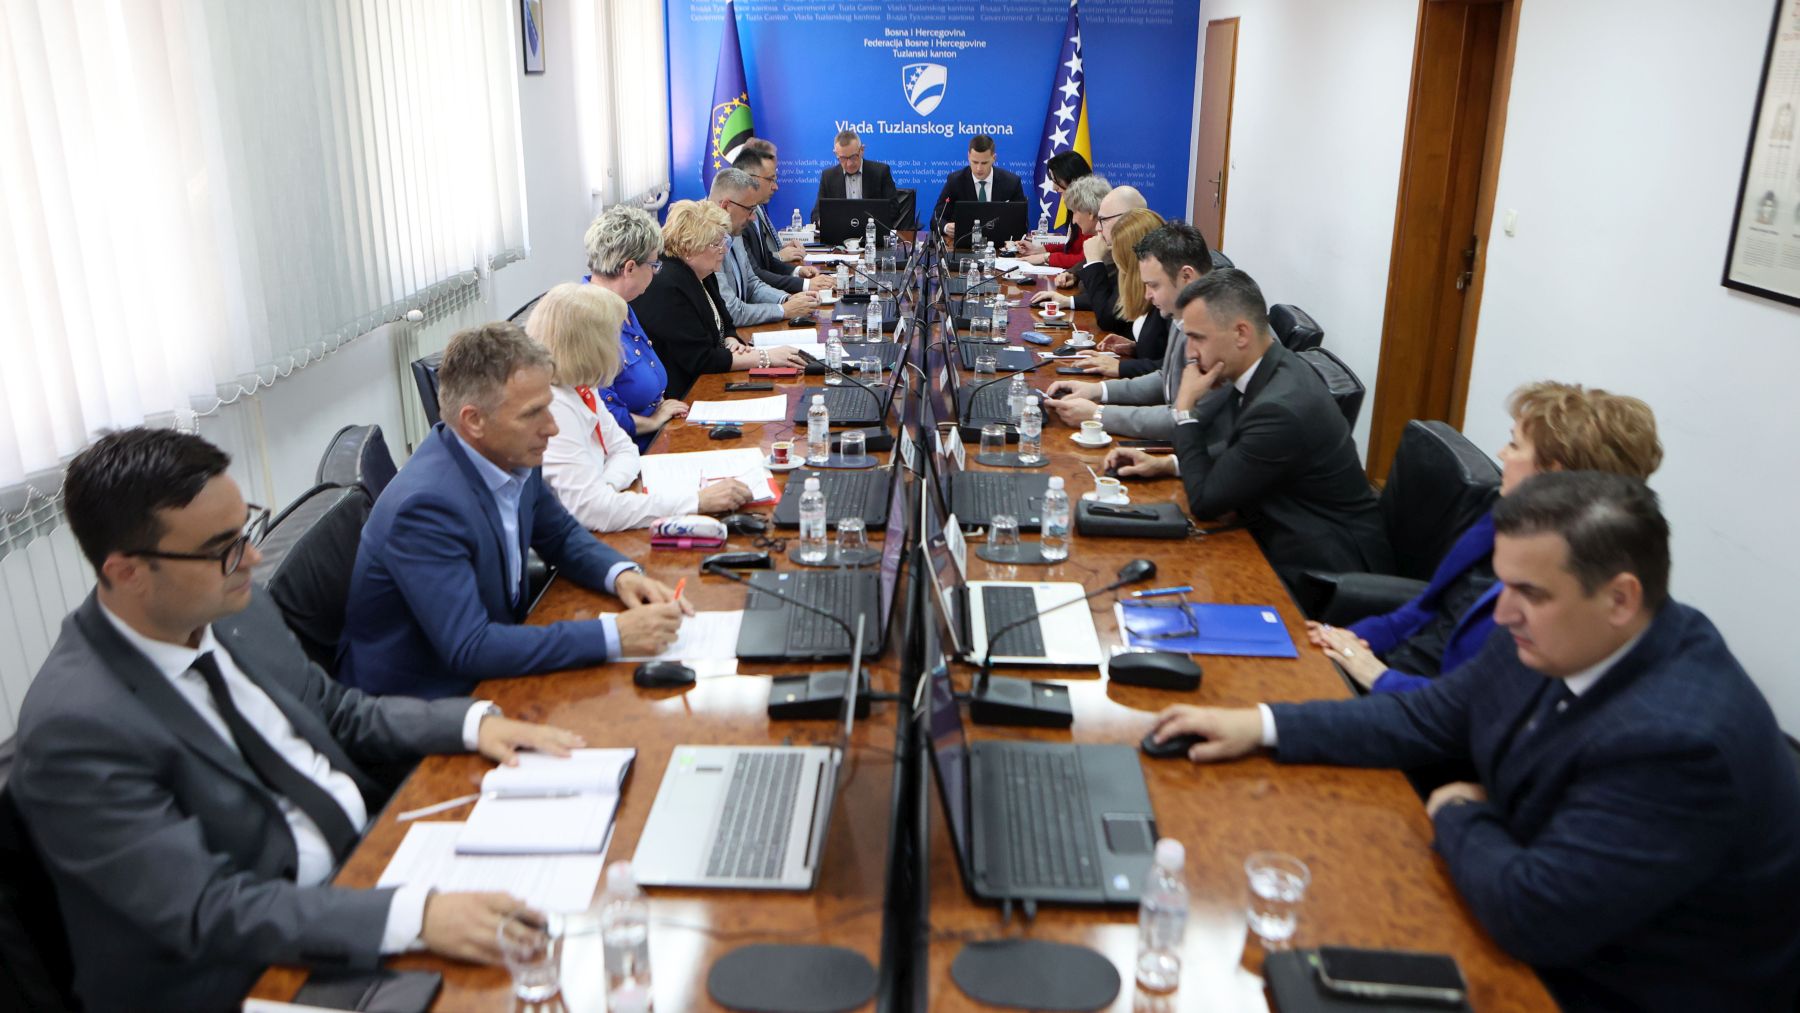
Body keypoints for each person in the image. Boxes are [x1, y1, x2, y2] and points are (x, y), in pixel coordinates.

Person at [1147, 472, 1800, 1011]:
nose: (1503, 612)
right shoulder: (1558, 633)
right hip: (1520, 919)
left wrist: (1461, 809)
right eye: (1503, 583)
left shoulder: (1679, 742)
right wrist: (1261, 723)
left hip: (1603, 986)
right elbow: (1425, 717)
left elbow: (1532, 912)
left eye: (1529, 592)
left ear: (1620, 598)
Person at [11, 427, 588, 1011]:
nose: (253, 558)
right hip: (249, 971)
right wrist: (415, 916)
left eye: (245, 529)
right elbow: (208, 909)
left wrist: (471, 724)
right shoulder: (76, 729)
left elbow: (336, 711)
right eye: (222, 548)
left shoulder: (234, 610)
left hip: (367, 865)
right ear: (127, 572)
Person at [338, 322, 688, 698]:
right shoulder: (425, 508)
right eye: (532, 413)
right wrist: (613, 635)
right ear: (474, 420)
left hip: (494, 664)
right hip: (424, 700)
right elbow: (470, 647)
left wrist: (620, 575)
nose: (552, 428)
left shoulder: (511, 452)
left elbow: (561, 536)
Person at [1310, 382, 1662, 693]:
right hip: (1391, 676)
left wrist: (1376, 676)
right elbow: (1423, 608)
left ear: (1551, 472)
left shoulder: (1573, 592)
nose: (1501, 454)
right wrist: (1343, 639)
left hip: (1420, 710)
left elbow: (1472, 711)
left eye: (1514, 445)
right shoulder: (1504, 517)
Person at [1101, 268, 1392, 585]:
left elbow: (1205, 502)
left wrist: (1184, 411)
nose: (1190, 352)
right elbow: (1242, 453)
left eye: (1197, 338)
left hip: (1321, 568)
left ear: (1241, 333)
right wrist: (1167, 464)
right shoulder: (1269, 367)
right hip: (1276, 531)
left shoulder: (1279, 408)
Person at [530, 283, 752, 530]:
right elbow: (591, 511)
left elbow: (624, 449)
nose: (620, 349)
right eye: (613, 337)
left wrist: (606, 486)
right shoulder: (554, 409)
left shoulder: (582, 387)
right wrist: (697, 501)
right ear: (588, 345)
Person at [1041, 221, 1213, 440]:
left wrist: (1098, 414)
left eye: (1154, 285)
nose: (1147, 295)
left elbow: (1185, 418)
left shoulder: (1215, 326)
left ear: (1186, 277)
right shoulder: (1184, 311)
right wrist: (1098, 391)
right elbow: (1167, 379)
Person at [632, 200, 806, 399]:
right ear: (688, 248)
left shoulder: (703, 271)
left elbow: (726, 323)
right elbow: (700, 359)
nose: (724, 249)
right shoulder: (668, 285)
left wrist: (730, 340)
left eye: (724, 241)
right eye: (715, 244)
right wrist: (766, 357)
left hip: (708, 378)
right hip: (684, 394)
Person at [581, 205, 685, 448]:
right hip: (630, 451)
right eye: (654, 265)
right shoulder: (587, 323)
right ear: (629, 268)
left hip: (658, 438)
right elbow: (602, 414)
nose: (655, 273)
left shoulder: (622, 306)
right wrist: (653, 421)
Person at [1065, 207, 1169, 380]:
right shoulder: (1141, 284)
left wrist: (1122, 367)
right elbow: (1161, 350)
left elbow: (1175, 369)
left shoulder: (1167, 299)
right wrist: (1136, 347)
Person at [709, 167, 819, 328]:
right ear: (726, 206)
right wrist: (783, 310)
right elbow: (730, 311)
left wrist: (786, 299)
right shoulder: (706, 243)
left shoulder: (733, 229)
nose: (753, 217)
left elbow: (752, 284)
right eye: (749, 210)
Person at [1034, 183, 1148, 320]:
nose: (1098, 227)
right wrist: (1072, 286)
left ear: (1126, 220)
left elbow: (1108, 315)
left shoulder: (1140, 258)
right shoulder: (1123, 249)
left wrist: (1094, 261)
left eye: (1103, 220)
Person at [733, 147, 822, 294]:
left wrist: (798, 271)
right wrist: (805, 285)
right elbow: (756, 274)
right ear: (750, 179)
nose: (775, 187)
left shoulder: (757, 209)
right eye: (770, 180)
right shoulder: (738, 219)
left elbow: (767, 260)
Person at [937, 133, 1025, 240]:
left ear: (994, 158)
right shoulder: (955, 181)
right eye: (975, 162)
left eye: (984, 163)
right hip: (965, 244)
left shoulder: (1012, 182)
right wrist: (946, 227)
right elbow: (937, 219)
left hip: (1000, 244)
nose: (979, 168)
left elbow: (1022, 223)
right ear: (968, 156)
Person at [1016, 149, 1092, 269]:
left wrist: (1046, 257)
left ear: (1072, 178)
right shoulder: (1077, 205)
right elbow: (1072, 247)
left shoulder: (1091, 208)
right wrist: (1040, 249)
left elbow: (1086, 259)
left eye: (1057, 181)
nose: (1054, 187)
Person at [812, 128, 898, 222]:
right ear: (836, 154)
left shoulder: (880, 172)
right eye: (843, 158)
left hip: (872, 229)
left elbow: (893, 210)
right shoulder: (828, 177)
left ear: (862, 150)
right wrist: (822, 221)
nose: (849, 164)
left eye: (853, 157)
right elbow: (816, 213)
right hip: (841, 230)